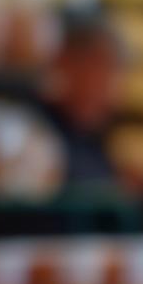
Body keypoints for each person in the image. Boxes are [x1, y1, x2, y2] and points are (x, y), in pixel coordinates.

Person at [42, 11, 125, 185]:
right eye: (101, 72)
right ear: (65, 63)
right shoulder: (36, 131)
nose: (110, 94)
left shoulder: (92, 139)